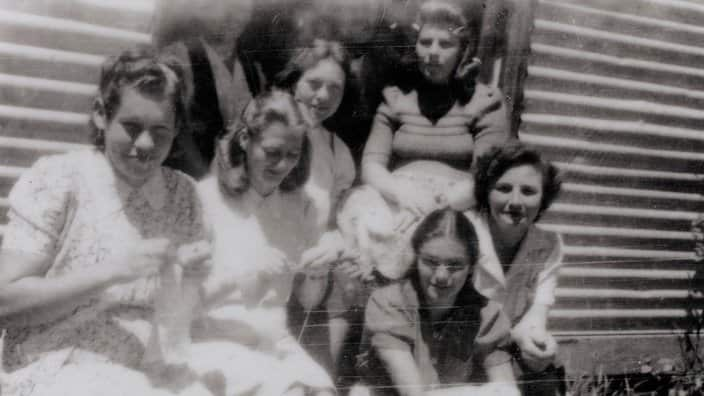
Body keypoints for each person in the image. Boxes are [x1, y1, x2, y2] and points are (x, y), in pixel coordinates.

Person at [0, 45, 212, 395]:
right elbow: (5, 303)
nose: (145, 144)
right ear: (101, 114)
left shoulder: (184, 194)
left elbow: (185, 317)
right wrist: (111, 271)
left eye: (161, 131)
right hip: (57, 363)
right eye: (131, 127)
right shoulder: (58, 179)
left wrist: (190, 280)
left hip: (150, 367)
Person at [354, 0, 509, 281]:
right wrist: (401, 195)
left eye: (445, 44)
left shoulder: (486, 102)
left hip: (456, 202)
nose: (433, 53)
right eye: (426, 42)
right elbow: (372, 165)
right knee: (366, 232)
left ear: (463, 50)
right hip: (398, 200)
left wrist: (443, 203)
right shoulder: (395, 98)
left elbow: (489, 174)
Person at [194, 89, 335, 395]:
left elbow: (308, 301)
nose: (283, 166)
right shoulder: (204, 199)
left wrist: (317, 273)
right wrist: (244, 274)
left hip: (275, 343)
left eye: (293, 155)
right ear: (245, 140)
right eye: (273, 152)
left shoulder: (301, 206)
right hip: (214, 342)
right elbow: (184, 303)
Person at [356, 209, 519, 396]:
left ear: (472, 266)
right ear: (416, 258)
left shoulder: (487, 316)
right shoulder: (388, 303)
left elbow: (508, 390)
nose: (441, 276)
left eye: (455, 265)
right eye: (431, 262)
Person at [274, 38, 358, 374]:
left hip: (310, 272)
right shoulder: (266, 129)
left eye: (334, 89)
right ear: (294, 81)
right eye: (314, 84)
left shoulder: (337, 151)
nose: (322, 97)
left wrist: (334, 243)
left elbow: (334, 221)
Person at [473, 141, 565, 395]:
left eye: (528, 191)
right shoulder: (464, 232)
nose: (515, 201)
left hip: (504, 349)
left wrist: (535, 341)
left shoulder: (548, 245)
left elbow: (536, 314)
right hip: (459, 348)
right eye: (503, 188)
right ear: (486, 192)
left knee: (545, 371)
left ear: (543, 198)